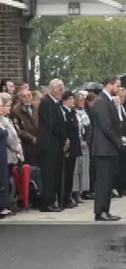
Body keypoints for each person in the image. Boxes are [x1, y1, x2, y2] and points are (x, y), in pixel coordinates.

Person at [90, 76, 124, 222]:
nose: (119, 89)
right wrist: (118, 142)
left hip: (108, 147)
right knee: (103, 181)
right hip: (103, 147)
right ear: (109, 85)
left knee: (108, 180)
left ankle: (106, 209)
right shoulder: (101, 101)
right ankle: (100, 210)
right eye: (117, 86)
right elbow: (106, 126)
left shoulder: (108, 101)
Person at [37, 79, 68, 212]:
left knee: (55, 173)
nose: (62, 92)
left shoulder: (56, 103)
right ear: (53, 89)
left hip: (56, 144)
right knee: (48, 174)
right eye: (60, 89)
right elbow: (52, 124)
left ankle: (53, 200)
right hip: (49, 145)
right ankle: (46, 202)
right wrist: (63, 136)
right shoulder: (46, 103)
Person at [60, 91, 80, 209]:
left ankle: (69, 196)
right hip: (68, 147)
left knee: (71, 174)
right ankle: (65, 198)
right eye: (71, 99)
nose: (73, 101)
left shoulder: (72, 112)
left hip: (74, 147)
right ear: (65, 100)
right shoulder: (64, 113)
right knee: (66, 174)